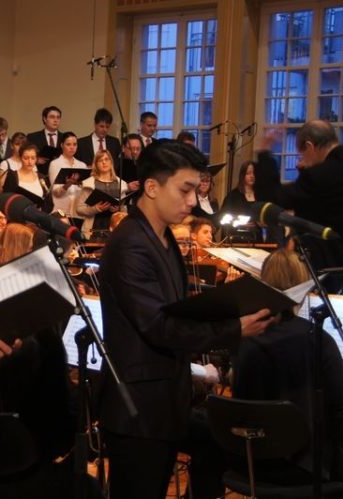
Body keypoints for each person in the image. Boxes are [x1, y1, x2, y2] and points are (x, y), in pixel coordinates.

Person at [98, 140, 274, 499]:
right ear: (151, 187)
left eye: (195, 190)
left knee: (215, 446)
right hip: (139, 407)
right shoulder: (130, 242)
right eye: (185, 189)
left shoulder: (160, 236)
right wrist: (234, 328)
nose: (193, 201)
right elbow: (159, 326)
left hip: (166, 398)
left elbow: (176, 307)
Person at [255, 120, 343, 461]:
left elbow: (273, 199)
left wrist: (265, 153)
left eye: (303, 155)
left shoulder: (324, 176)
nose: (303, 164)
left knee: (333, 355)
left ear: (311, 148)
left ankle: (326, 437)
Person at [232, 249, 343, 498]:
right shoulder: (318, 339)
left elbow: (242, 402)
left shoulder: (246, 337)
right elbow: (342, 413)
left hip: (253, 462)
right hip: (306, 464)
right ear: (303, 286)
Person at [75, 149, 129, 239]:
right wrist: (95, 208)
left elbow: (124, 211)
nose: (104, 162)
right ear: (96, 164)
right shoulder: (89, 183)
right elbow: (79, 209)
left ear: (111, 162)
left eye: (106, 159)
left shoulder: (121, 184)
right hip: (93, 229)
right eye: (100, 160)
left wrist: (118, 209)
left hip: (115, 229)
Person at [48, 132, 89, 221]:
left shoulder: (82, 165)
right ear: (62, 145)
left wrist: (82, 184)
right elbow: (55, 192)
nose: (72, 147)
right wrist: (67, 185)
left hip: (78, 213)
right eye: (68, 144)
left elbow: (85, 191)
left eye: (74, 144)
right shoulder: (55, 164)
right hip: (61, 213)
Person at [0, 142, 50, 210]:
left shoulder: (42, 177)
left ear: (36, 159)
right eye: (26, 158)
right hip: (18, 215)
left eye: (33, 158)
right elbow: (6, 200)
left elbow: (48, 202)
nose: (29, 161)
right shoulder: (13, 176)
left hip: (38, 216)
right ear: (20, 158)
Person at [27, 105, 63, 175]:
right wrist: (36, 160)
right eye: (52, 117)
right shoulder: (32, 137)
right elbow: (25, 156)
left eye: (58, 117)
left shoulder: (65, 138)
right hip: (38, 175)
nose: (55, 120)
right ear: (44, 119)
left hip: (59, 176)